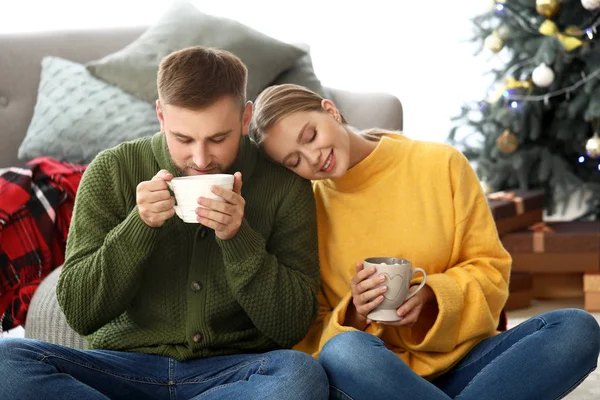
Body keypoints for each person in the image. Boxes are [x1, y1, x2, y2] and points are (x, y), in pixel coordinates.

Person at [0, 49, 329, 400]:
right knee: (7, 361)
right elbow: (81, 313)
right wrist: (137, 227)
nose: (201, 160)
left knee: (301, 376)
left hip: (231, 373)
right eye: (184, 139)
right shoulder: (112, 170)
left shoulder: (285, 184)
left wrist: (238, 239)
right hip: (122, 369)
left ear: (246, 118)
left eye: (218, 138)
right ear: (160, 115)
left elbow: (292, 324)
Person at [249, 83, 600, 400]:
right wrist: (354, 311)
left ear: (330, 110)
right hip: (375, 377)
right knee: (344, 350)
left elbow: (491, 272)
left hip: (468, 363)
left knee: (575, 327)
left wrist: (433, 296)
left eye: (310, 136)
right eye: (294, 161)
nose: (312, 158)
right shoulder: (304, 212)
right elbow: (310, 336)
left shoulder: (440, 164)